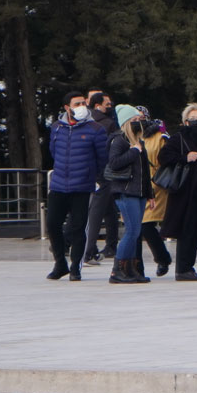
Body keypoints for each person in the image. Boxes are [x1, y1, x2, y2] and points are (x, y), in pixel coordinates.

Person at [45, 91, 110, 281]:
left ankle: (75, 267)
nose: (82, 106)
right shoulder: (57, 127)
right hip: (58, 185)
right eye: (77, 103)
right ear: (67, 108)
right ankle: (60, 264)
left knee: (78, 227)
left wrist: (92, 176)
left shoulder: (95, 129)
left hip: (82, 186)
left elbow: (102, 158)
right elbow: (53, 152)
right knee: (53, 224)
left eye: (83, 103)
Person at [157, 103, 197, 281]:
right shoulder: (178, 138)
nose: (196, 122)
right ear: (185, 121)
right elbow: (163, 157)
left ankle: (189, 267)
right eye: (192, 119)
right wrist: (185, 158)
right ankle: (182, 269)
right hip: (186, 195)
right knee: (186, 231)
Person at [104, 106, 151, 284]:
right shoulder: (119, 140)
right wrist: (133, 151)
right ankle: (117, 270)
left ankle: (130, 268)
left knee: (136, 232)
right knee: (132, 231)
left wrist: (150, 193)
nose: (139, 123)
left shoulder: (139, 142)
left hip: (138, 192)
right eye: (134, 120)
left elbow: (145, 171)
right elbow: (114, 163)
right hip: (125, 191)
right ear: (126, 123)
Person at [81, 89, 120, 265]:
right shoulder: (107, 124)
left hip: (86, 171)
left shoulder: (81, 122)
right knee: (96, 212)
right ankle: (89, 251)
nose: (110, 106)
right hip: (103, 172)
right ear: (97, 105)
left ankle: (109, 244)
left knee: (107, 209)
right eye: (107, 104)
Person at [136, 110, 173, 277]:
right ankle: (136, 267)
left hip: (155, 184)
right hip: (134, 186)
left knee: (146, 224)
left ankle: (162, 257)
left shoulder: (159, 136)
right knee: (135, 227)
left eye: (140, 117)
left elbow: (167, 159)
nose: (138, 120)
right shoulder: (129, 136)